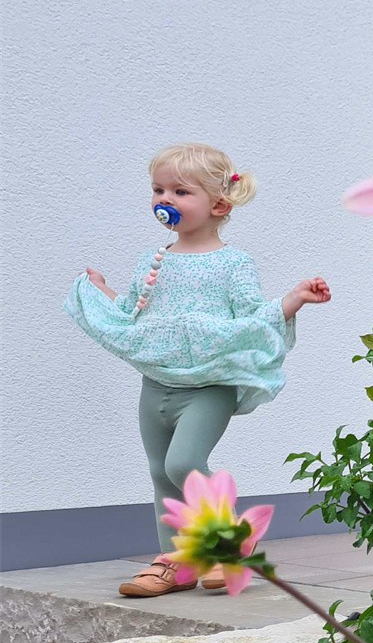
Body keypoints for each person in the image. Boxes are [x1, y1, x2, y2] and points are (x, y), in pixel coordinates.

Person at [63, 143, 330, 597]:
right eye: (158, 190)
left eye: (180, 192)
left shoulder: (233, 263)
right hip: (157, 382)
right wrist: (103, 291)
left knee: (183, 462)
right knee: (160, 472)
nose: (164, 199)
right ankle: (177, 560)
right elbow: (133, 314)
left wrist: (294, 299)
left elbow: (251, 318)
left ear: (219, 205)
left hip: (210, 384)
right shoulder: (154, 260)